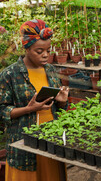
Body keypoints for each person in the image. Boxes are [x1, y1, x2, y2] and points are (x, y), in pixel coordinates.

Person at [0, 19, 69, 181]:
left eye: (48, 50)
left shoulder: (51, 71)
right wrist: (29, 109)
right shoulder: (10, 75)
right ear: (27, 48)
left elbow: (59, 110)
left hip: (52, 142)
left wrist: (62, 101)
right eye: (39, 51)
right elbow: (1, 111)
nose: (45, 55)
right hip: (24, 147)